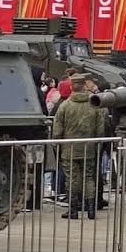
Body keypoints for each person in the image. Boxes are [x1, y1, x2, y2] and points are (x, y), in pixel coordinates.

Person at [52, 74, 108, 220]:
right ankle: (91, 209)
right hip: (88, 147)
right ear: (84, 86)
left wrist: (57, 144)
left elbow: (57, 130)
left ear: (71, 87)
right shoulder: (94, 105)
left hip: (69, 148)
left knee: (72, 178)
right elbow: (100, 129)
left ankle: (73, 210)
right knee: (89, 177)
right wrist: (97, 145)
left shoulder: (65, 106)